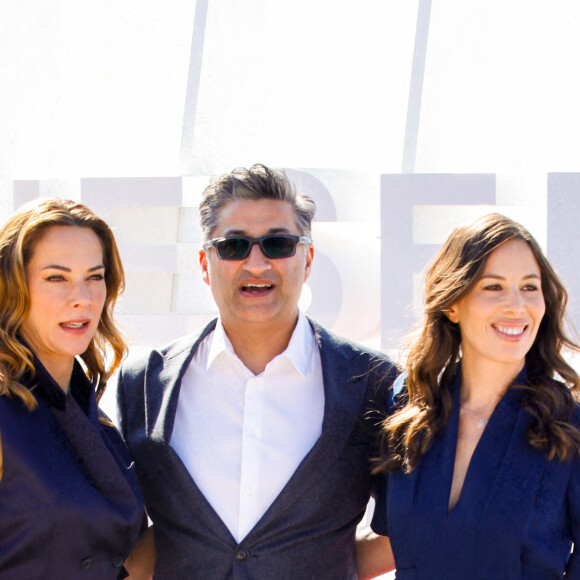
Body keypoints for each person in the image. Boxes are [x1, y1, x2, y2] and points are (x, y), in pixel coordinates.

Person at [117, 163, 395, 579]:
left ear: (309, 257)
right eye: (234, 246)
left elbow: (401, 531)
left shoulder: (372, 381)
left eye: (278, 244)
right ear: (205, 262)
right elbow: (128, 543)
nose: (257, 263)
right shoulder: (144, 383)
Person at [357, 213, 580, 579]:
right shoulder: (408, 413)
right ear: (452, 304)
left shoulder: (568, 427)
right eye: (493, 287)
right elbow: (393, 545)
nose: (516, 305)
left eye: (529, 287)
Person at [0, 198, 145, 579]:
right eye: (56, 278)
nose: (82, 298)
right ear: (12, 287)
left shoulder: (97, 420)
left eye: (94, 277)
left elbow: (123, 562)